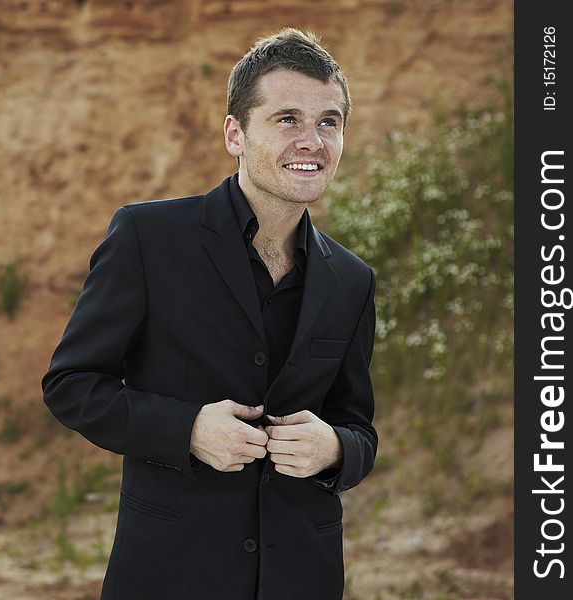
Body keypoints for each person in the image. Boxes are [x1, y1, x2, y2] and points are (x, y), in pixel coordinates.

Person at [42, 28, 376, 600]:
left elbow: (358, 428)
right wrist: (187, 430)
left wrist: (335, 449)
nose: (312, 141)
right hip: (171, 574)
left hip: (302, 577)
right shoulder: (148, 236)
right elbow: (71, 385)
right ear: (235, 134)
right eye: (287, 119)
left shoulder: (352, 279)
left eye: (329, 121)